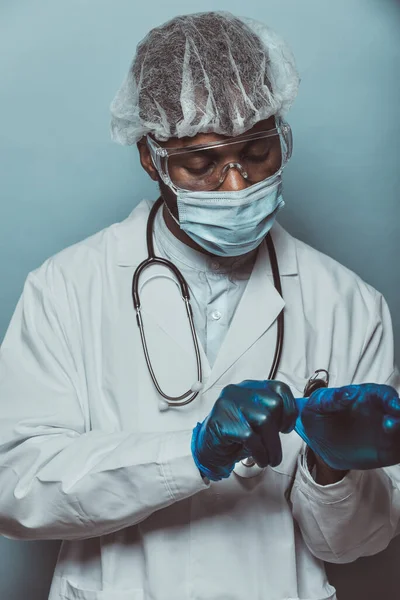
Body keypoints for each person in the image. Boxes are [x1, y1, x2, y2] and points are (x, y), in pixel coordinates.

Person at [0, 10, 399, 600]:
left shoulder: (348, 304)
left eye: (258, 151)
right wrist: (189, 453)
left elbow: (354, 544)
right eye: (201, 163)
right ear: (150, 156)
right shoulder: (66, 289)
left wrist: (332, 468)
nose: (237, 185)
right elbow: (15, 490)